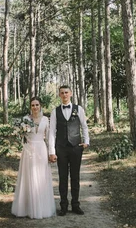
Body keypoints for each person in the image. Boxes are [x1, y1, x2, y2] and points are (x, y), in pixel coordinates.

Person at [11, 97, 56, 219]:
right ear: (30, 107)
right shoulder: (25, 119)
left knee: (41, 177)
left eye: (37, 105)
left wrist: (51, 152)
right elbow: (21, 136)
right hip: (28, 150)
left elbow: (49, 137)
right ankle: (27, 207)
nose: (35, 107)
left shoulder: (46, 120)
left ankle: (42, 208)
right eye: (32, 105)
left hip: (41, 149)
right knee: (29, 177)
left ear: (40, 105)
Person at [48, 85, 90, 216]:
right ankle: (63, 206)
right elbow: (51, 132)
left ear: (70, 94)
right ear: (59, 95)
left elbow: (84, 126)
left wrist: (86, 142)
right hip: (61, 148)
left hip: (76, 148)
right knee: (63, 177)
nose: (64, 95)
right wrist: (52, 151)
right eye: (62, 93)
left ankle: (76, 205)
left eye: (66, 92)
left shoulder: (79, 109)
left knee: (75, 177)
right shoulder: (55, 112)